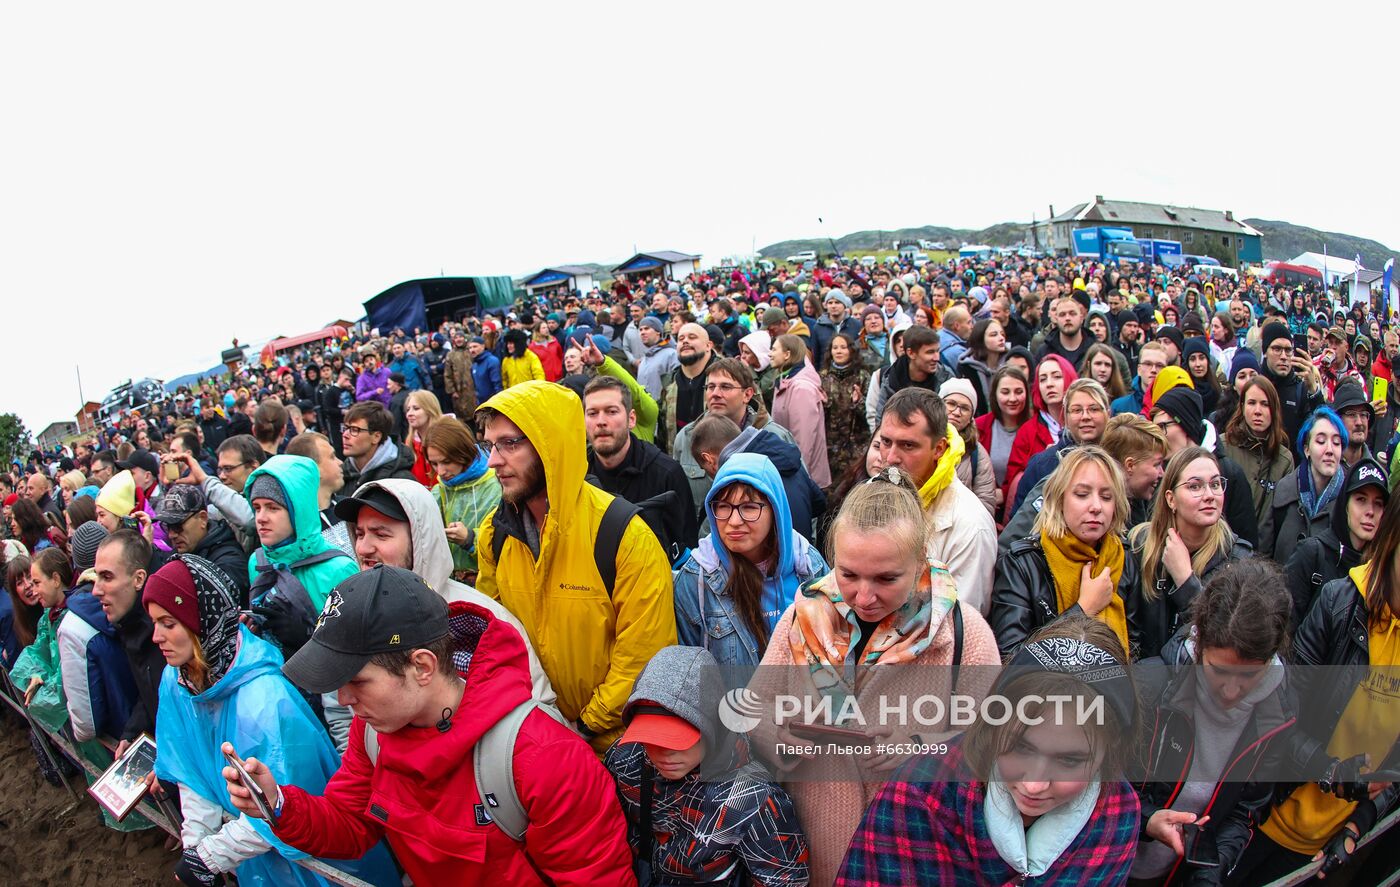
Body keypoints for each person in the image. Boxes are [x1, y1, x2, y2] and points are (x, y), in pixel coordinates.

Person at [222, 567, 636, 885]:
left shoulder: (545, 759)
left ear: (422, 665)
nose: (344, 699)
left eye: (358, 681)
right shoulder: (374, 734)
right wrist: (279, 803)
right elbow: (351, 824)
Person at [747, 469, 1000, 886]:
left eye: (886, 579)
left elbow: (989, 742)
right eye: (848, 574)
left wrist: (921, 749)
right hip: (814, 850)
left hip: (913, 855)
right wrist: (775, 735)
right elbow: (755, 707)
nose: (864, 597)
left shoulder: (963, 634)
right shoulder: (800, 618)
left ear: (919, 561)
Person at [145, 555, 399, 886]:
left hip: (318, 856)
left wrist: (209, 856)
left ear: (201, 622)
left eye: (169, 623)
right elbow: (192, 771)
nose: (156, 637)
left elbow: (281, 805)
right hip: (253, 855)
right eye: (153, 623)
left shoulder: (263, 701)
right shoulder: (179, 680)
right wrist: (196, 844)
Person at [837, 617, 1141, 887]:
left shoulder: (1117, 815)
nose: (1034, 785)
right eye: (1020, 747)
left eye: (1070, 760)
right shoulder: (919, 795)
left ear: (1110, 750)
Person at [475, 381, 676, 754]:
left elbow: (644, 656)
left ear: (552, 446)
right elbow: (492, 639)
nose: (493, 461)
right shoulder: (493, 535)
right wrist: (534, 721)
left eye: (510, 444)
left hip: (617, 751)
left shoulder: (624, 534)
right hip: (532, 742)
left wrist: (582, 726)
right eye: (490, 445)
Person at [1233, 495, 1400, 885]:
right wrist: (1331, 771)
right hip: (1269, 817)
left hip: (1331, 846)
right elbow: (1276, 716)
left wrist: (1362, 821)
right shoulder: (1340, 604)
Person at [1131, 559, 1296, 886]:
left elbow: (1244, 812)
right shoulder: (1151, 685)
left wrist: (1211, 872)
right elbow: (1103, 781)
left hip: (1177, 876)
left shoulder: (1278, 714)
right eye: (1218, 671)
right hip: (1109, 861)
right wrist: (1146, 820)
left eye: (1249, 676)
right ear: (1199, 643)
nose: (1232, 691)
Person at [332, 478, 555, 707]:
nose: (363, 548)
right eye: (359, 534)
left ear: (419, 540)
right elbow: (340, 705)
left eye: (381, 534)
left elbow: (538, 708)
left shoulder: (479, 618)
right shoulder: (353, 615)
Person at [605, 645, 810, 886]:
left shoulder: (754, 800)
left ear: (713, 724)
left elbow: (784, 881)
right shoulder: (625, 759)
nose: (664, 753)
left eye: (677, 739)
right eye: (650, 737)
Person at [673, 453, 827, 670]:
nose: (734, 521)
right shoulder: (696, 580)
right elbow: (687, 674)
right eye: (723, 506)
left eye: (749, 507)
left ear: (775, 510)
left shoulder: (809, 566)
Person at [245, 454, 359, 746]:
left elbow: (355, 650)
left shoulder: (338, 567)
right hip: (280, 701)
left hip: (335, 706)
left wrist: (307, 635)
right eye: (256, 507)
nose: (261, 517)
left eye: (273, 507)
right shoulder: (257, 562)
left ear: (299, 510)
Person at [991, 446, 1142, 658]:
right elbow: (1010, 657)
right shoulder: (1022, 564)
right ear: (1059, 500)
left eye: (1107, 497)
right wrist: (1083, 609)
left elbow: (1137, 648)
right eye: (1082, 495)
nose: (1096, 506)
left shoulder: (1123, 557)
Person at [875, 388, 997, 612]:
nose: (891, 458)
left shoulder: (970, 525)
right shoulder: (871, 492)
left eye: (908, 445)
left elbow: (961, 621)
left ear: (939, 449)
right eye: (885, 442)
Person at [1128, 446, 1253, 660]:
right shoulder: (1138, 546)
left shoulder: (1239, 559)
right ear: (1171, 499)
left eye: (1215, 484)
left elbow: (1227, 641)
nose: (1209, 495)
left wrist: (1186, 582)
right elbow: (1129, 634)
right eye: (1195, 486)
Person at [583, 375, 697, 562]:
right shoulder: (576, 474)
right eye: (592, 413)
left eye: (611, 412)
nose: (601, 421)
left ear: (631, 419)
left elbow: (687, 552)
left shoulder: (667, 474)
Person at [672, 357, 798, 519]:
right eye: (710, 387)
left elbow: (798, 501)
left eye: (725, 387)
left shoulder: (775, 437)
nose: (715, 394)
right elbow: (679, 500)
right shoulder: (688, 437)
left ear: (747, 394)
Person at [1148, 386, 1260, 549]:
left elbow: (1248, 544)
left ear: (1185, 424)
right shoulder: (1160, 473)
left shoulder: (1229, 472)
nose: (1158, 436)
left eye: (1162, 427)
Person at [1284, 457, 1388, 629]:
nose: (1370, 511)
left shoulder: (1382, 568)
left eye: (1378, 504)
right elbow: (1284, 627)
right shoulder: (1312, 553)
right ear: (1345, 505)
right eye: (1361, 500)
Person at [92, 530, 169, 750]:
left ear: (138, 579)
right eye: (96, 576)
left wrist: (171, 762)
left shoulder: (168, 628)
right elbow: (149, 693)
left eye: (107, 577)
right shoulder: (129, 622)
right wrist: (133, 732)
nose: (96, 590)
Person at [1010, 378, 1111, 519]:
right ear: (1065, 417)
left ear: (1108, 413)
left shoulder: (1120, 459)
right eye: (1076, 410)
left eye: (1094, 409)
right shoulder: (1043, 465)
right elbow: (1020, 526)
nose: (1085, 416)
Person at [423, 417, 502, 584]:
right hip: (450, 584)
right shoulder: (439, 491)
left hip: (490, 585)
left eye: (446, 462)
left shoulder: (495, 486)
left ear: (463, 453)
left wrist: (470, 538)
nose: (441, 471)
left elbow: (506, 541)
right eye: (434, 463)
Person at [1263, 406, 1348, 561]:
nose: (1330, 449)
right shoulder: (1284, 490)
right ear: (1307, 449)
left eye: (1336, 443)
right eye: (1321, 441)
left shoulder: (1349, 499)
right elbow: (1264, 554)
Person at [1218, 375, 1294, 541]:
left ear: (1274, 409)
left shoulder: (1284, 459)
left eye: (1265, 404)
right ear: (1242, 406)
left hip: (1263, 556)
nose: (1258, 411)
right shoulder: (1223, 445)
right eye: (1252, 403)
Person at [10, 548, 73, 737]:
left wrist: (43, 682)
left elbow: (68, 674)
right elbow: (35, 653)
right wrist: (38, 674)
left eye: (35, 581)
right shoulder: (48, 616)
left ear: (55, 579)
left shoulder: (72, 619)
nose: (32, 588)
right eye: (20, 583)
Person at [154, 483, 251, 604]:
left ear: (203, 518)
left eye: (177, 525)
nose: (171, 535)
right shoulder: (182, 551)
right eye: (167, 526)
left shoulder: (229, 561)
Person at [1003, 354, 1077, 511]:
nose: (1049, 384)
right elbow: (1014, 484)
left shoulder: (1083, 424)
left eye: (1057, 377)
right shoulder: (1027, 431)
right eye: (1043, 379)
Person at [769, 334, 831, 488]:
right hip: (791, 471)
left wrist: (798, 479)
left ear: (787, 354)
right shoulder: (785, 381)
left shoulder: (801, 388)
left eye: (774, 349)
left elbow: (803, 440)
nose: (770, 353)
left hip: (804, 477)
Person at [1258, 321, 1325, 456]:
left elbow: (1321, 427)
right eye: (1277, 349)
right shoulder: (1254, 386)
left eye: (1288, 350)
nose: (1283, 356)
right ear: (1265, 352)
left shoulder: (1300, 389)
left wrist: (1314, 390)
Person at [285, 431, 353, 556]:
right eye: (332, 457)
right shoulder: (296, 527)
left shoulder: (350, 508)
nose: (340, 462)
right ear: (312, 469)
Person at [974, 365, 1032, 513]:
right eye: (1005, 392)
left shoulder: (1036, 428)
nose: (1012, 398)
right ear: (995, 395)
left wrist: (1005, 493)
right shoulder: (979, 427)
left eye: (1018, 392)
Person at [938, 378, 996, 516]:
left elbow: (985, 503)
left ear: (971, 416)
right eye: (951, 404)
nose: (957, 412)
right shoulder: (922, 439)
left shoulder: (977, 453)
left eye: (964, 408)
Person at [819, 332, 871, 486]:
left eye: (843, 347)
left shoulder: (862, 377)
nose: (839, 351)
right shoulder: (823, 377)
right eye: (835, 348)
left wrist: (858, 402)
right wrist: (824, 404)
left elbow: (870, 413)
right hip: (831, 445)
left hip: (856, 444)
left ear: (851, 350)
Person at [871, 324, 952, 420]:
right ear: (911, 353)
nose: (936, 358)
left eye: (937, 351)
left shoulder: (946, 379)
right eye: (930, 352)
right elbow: (881, 420)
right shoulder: (891, 379)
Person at [340, 401, 416, 489]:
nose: (345, 435)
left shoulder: (401, 483)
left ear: (376, 437)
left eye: (354, 430)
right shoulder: (339, 477)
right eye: (345, 428)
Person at [1111, 342, 1168, 416]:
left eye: (1159, 365)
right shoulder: (1119, 406)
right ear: (1139, 370)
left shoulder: (1174, 405)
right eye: (1148, 364)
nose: (1153, 370)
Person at [401, 390, 441, 488]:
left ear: (430, 410)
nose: (409, 414)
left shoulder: (446, 439)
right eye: (408, 409)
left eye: (416, 408)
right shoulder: (409, 442)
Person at [1182, 339, 1221, 418]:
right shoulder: (1182, 392)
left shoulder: (1217, 390)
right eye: (1192, 359)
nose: (1198, 364)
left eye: (1202, 358)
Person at [443, 330, 478, 417]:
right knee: (463, 416)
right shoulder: (451, 355)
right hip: (459, 391)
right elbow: (447, 374)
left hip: (474, 389)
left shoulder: (471, 351)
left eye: (460, 337)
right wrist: (452, 391)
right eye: (456, 337)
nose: (458, 339)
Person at [467, 335, 503, 405]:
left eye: (475, 346)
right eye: (470, 348)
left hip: (493, 404)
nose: (472, 350)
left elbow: (497, 385)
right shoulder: (474, 365)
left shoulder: (492, 361)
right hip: (481, 404)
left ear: (483, 346)